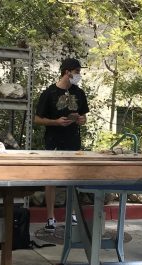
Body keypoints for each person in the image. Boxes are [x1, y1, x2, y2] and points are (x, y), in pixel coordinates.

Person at [34, 58, 89, 231]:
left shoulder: (79, 93)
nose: (79, 75)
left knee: (73, 178)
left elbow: (85, 117)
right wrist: (55, 122)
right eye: (77, 72)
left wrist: (80, 120)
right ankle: (50, 217)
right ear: (68, 72)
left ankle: (72, 213)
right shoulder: (49, 93)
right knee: (51, 178)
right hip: (53, 141)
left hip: (73, 141)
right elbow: (37, 119)